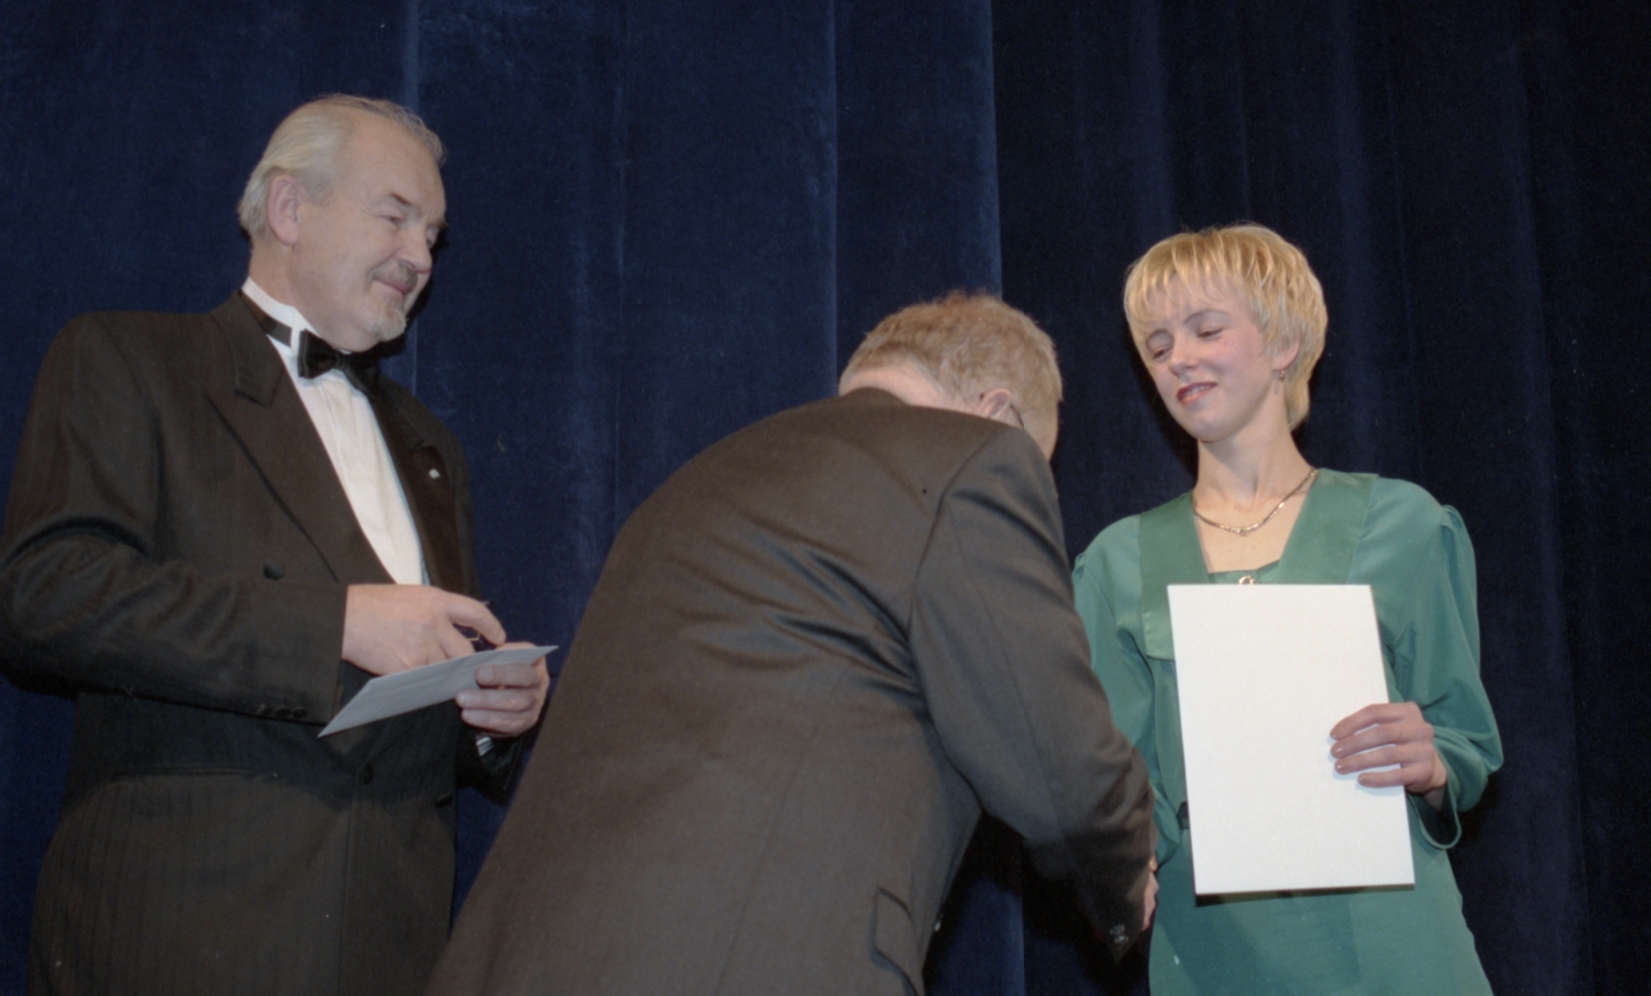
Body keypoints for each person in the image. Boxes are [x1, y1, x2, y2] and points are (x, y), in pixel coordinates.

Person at [422, 292, 1158, 996]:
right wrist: (1126, 875)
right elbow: (1054, 764)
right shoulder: (970, 459)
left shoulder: (688, 484)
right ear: (995, 415)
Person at [0, 95, 549, 996]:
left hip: (391, 944)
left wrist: (490, 713)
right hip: (185, 935)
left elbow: (402, 714)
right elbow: (48, 596)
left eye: (432, 235)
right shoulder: (128, 359)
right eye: (395, 217)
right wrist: (334, 625)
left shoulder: (432, 446)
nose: (420, 257)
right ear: (290, 208)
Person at [1072, 224, 1503, 994]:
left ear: (1283, 344)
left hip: (1396, 948)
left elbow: (1464, 741)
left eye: (1206, 330)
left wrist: (1432, 761)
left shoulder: (1405, 524)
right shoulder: (1115, 564)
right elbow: (1118, 792)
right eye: (1157, 344)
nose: (1178, 359)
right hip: (1214, 956)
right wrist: (1119, 860)